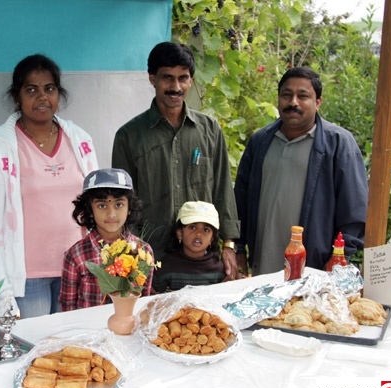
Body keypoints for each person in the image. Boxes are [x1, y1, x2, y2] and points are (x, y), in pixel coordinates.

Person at [0, 54, 98, 319]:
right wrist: (0, 292)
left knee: (73, 342)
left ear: (59, 94)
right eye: (31, 90)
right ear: (17, 96)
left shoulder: (80, 141)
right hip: (26, 280)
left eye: (49, 89)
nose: (42, 97)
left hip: (78, 269)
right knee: (32, 344)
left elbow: (97, 207)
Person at [112, 41, 240, 281]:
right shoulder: (129, 136)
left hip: (204, 262)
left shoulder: (210, 130)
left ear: (191, 80)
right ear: (152, 78)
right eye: (167, 78)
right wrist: (133, 256)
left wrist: (229, 245)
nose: (176, 87)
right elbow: (122, 202)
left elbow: (223, 189)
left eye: (183, 78)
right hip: (151, 259)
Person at [234, 66, 368, 276]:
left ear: (318, 102)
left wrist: (340, 257)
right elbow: (240, 200)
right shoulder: (260, 142)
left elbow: (354, 209)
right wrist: (238, 248)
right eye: (286, 95)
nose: (293, 102)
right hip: (263, 267)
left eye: (302, 96)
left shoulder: (338, 144)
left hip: (314, 270)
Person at [60, 168, 153, 311]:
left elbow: (144, 304)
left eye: (118, 205)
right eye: (102, 206)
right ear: (89, 210)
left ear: (129, 208)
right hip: (87, 325)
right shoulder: (75, 256)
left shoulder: (143, 252)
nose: (111, 214)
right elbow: (68, 309)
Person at [152, 201, 227, 293]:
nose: (198, 234)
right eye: (192, 227)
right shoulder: (165, 267)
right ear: (180, 233)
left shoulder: (219, 269)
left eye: (206, 230)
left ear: (212, 239)